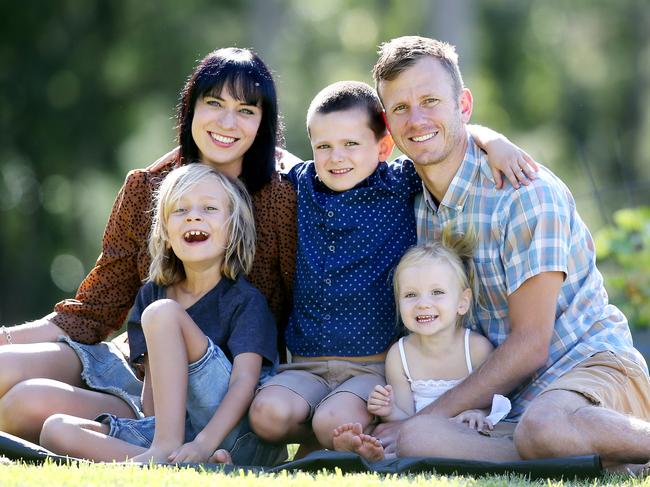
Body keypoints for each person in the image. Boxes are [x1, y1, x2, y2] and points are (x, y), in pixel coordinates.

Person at [0, 48, 296, 459]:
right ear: (191, 108)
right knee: (12, 390)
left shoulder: (283, 196)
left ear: (263, 122)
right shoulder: (150, 186)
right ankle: (160, 456)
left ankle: (171, 454)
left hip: (222, 391)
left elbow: (302, 312)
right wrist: (5, 337)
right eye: (213, 103)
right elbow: (92, 310)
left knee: (22, 406)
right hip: (141, 378)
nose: (227, 122)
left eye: (246, 110)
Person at [372, 35, 650, 472]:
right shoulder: (409, 193)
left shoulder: (525, 194)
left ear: (463, 106)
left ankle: (599, 443)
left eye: (430, 101)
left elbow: (531, 346)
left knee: (541, 426)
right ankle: (585, 460)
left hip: (587, 369)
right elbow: (328, 160)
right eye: (401, 108)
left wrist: (430, 411)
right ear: (387, 123)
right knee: (418, 436)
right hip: (504, 406)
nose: (417, 119)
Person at [248, 80, 535, 455]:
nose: (336, 158)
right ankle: (318, 441)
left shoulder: (399, 181)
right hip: (305, 365)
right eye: (324, 147)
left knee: (333, 422)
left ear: (383, 146)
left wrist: (493, 141)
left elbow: (451, 141)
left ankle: (337, 435)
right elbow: (248, 152)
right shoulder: (302, 183)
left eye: (351, 144)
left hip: (372, 368)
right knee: (266, 416)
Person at [39, 163, 279, 464]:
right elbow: (152, 404)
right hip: (176, 434)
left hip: (231, 435)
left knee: (164, 314)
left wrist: (204, 443)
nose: (193, 215)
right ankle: (179, 466)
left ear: (233, 229)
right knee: (56, 430)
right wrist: (170, 439)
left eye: (209, 208)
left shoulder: (245, 301)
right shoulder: (152, 294)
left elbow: (244, 385)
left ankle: (171, 455)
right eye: (180, 210)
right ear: (165, 232)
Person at [333, 229, 513, 461]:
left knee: (471, 436)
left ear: (462, 302)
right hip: (416, 434)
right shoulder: (400, 355)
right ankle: (370, 451)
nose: (423, 304)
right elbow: (404, 417)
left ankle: (381, 455)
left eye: (437, 292)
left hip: (463, 436)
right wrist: (389, 410)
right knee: (399, 438)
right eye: (410, 295)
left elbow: (493, 402)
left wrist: (477, 412)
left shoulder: (476, 349)